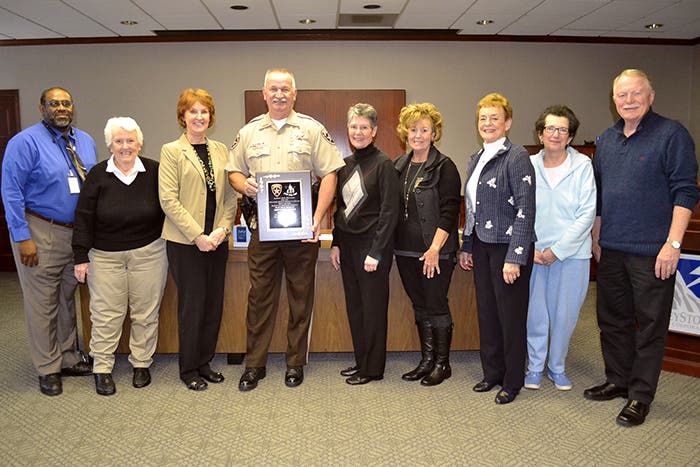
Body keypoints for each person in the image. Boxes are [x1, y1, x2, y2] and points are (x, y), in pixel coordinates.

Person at [586, 69, 699, 427]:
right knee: (612, 320)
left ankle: (640, 395)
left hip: (653, 251)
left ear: (651, 96)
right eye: (622, 95)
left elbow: (686, 191)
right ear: (613, 100)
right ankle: (618, 379)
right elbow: (599, 196)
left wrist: (673, 243)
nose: (629, 100)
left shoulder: (672, 134)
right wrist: (597, 238)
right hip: (611, 248)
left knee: (650, 325)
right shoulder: (606, 140)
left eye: (636, 93)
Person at [227, 68, 344, 391]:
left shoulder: (311, 129)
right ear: (264, 94)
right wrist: (244, 185)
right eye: (273, 89)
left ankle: (295, 362)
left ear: (294, 94)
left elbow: (330, 174)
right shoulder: (249, 132)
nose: (279, 94)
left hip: (301, 232)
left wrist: (318, 217)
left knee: (300, 297)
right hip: (262, 232)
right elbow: (233, 171)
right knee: (259, 298)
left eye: (285, 89)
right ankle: (255, 364)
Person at [1, 87, 97, 396]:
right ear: (42, 108)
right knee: (42, 302)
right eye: (54, 104)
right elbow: (11, 191)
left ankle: (68, 357)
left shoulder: (85, 141)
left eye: (66, 103)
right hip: (40, 230)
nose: (61, 108)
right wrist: (22, 237)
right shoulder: (24, 142)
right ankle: (47, 367)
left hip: (76, 233)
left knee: (67, 298)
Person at [72, 117, 167, 396]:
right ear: (110, 145)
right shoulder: (97, 175)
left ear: (139, 143)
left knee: (145, 313)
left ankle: (142, 363)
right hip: (104, 256)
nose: (125, 146)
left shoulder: (154, 171)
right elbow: (83, 216)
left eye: (130, 140)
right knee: (106, 314)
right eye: (119, 141)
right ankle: (102, 367)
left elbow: (170, 206)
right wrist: (80, 255)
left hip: (149, 252)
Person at [458, 93, 536, 404]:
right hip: (482, 245)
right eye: (483, 118)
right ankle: (492, 373)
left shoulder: (517, 157)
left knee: (510, 317)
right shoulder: (476, 158)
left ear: (507, 123)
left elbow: (526, 209)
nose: (488, 123)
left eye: (494, 118)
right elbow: (472, 207)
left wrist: (515, 257)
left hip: (508, 248)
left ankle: (512, 381)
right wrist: (467, 245)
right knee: (488, 313)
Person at [159, 88, 236, 391]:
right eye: (193, 111)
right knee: (192, 306)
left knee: (213, 305)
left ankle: (205, 362)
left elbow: (230, 197)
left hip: (216, 242)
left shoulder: (221, 150)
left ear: (210, 117)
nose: (199, 116)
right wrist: (198, 236)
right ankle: (188, 367)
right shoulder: (171, 151)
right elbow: (169, 200)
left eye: (204, 111)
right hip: (185, 244)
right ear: (183, 116)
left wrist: (222, 230)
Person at [524, 106, 596, 392]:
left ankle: (557, 366)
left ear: (570, 136)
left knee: (565, 315)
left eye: (562, 129)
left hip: (572, 255)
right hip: (534, 253)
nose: (555, 134)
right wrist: (528, 245)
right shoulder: (527, 165)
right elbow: (519, 208)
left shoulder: (583, 166)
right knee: (535, 313)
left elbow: (587, 213)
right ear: (540, 134)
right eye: (550, 128)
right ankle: (534, 367)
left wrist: (558, 250)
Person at [329, 103, 399, 385]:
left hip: (372, 249)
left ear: (374, 131)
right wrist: (336, 243)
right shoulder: (344, 165)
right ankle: (361, 362)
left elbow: (390, 212)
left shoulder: (384, 164)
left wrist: (377, 252)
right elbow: (340, 208)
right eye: (354, 127)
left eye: (364, 127)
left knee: (373, 311)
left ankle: (373, 368)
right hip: (348, 247)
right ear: (348, 130)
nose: (358, 132)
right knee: (356, 308)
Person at [393, 103, 462, 386]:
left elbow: (450, 212)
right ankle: (426, 361)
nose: (418, 135)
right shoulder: (399, 166)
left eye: (424, 130)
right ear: (405, 132)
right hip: (404, 250)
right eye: (413, 129)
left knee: (436, 304)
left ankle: (442, 364)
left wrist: (434, 249)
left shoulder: (445, 167)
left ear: (434, 134)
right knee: (419, 305)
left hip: (435, 251)